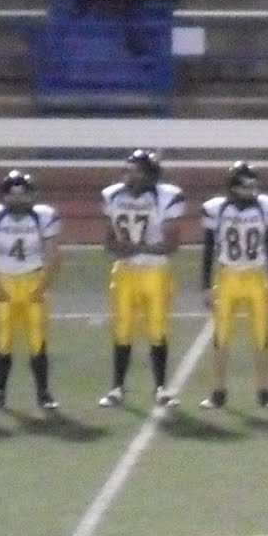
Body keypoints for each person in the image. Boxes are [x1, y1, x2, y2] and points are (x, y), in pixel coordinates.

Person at [98, 149, 185, 408]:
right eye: (128, 170)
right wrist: (119, 247)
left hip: (155, 272)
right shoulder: (112, 195)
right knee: (122, 329)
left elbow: (171, 244)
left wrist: (139, 248)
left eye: (136, 171)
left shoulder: (166, 197)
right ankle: (117, 388)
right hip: (124, 272)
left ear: (149, 174)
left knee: (157, 330)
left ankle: (161, 388)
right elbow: (108, 241)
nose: (129, 175)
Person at [198, 162, 268, 410]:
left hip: (257, 276)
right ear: (233, 186)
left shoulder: (265, 207)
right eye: (246, 186)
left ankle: (264, 390)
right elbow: (209, 248)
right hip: (228, 277)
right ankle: (218, 391)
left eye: (252, 185)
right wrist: (205, 285)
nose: (251, 190)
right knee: (222, 336)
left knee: (261, 336)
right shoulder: (217, 209)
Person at [0, 171, 61, 411]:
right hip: (4, 280)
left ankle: (44, 393)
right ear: (4, 196)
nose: (18, 199)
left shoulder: (43, 216)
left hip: (32, 280)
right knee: (3, 341)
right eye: (13, 194)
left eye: (22, 194)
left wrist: (41, 286)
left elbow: (54, 255)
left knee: (37, 341)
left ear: (31, 195)